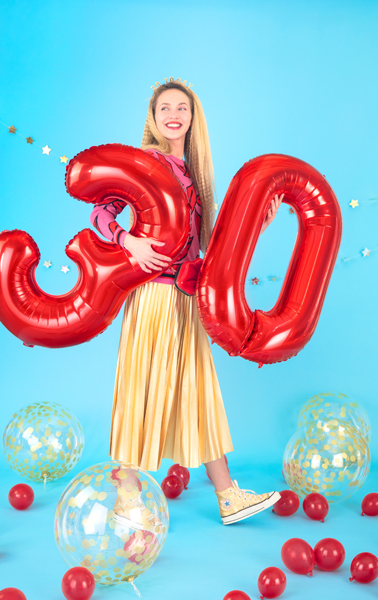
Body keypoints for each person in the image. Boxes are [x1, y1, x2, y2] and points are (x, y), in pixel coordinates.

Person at [90, 78, 283, 526]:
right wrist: (128, 241)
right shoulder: (145, 162)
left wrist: (258, 224)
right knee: (142, 386)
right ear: (153, 118)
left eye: (182, 107)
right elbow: (100, 211)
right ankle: (126, 498)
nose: (173, 115)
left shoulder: (194, 175)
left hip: (187, 296)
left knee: (199, 390)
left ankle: (228, 495)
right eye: (165, 108)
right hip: (154, 294)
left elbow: (212, 247)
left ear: (193, 118)